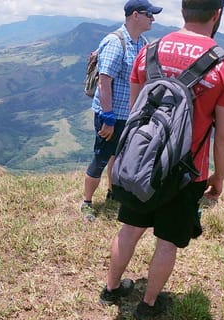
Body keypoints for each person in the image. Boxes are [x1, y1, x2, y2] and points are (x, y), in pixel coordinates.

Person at [99, 0, 224, 318]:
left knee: (130, 228)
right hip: (187, 171)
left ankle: (110, 289)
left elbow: (138, 108)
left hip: (143, 163)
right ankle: (148, 304)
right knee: (166, 241)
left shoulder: (149, 51)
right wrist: (219, 177)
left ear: (183, 10)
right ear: (216, 14)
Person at [81, 0, 162, 221]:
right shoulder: (116, 43)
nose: (152, 19)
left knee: (118, 157)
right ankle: (87, 202)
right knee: (101, 157)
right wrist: (107, 117)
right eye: (149, 15)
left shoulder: (141, 43)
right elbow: (104, 83)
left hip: (128, 116)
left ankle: (112, 195)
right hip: (111, 115)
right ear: (135, 15)